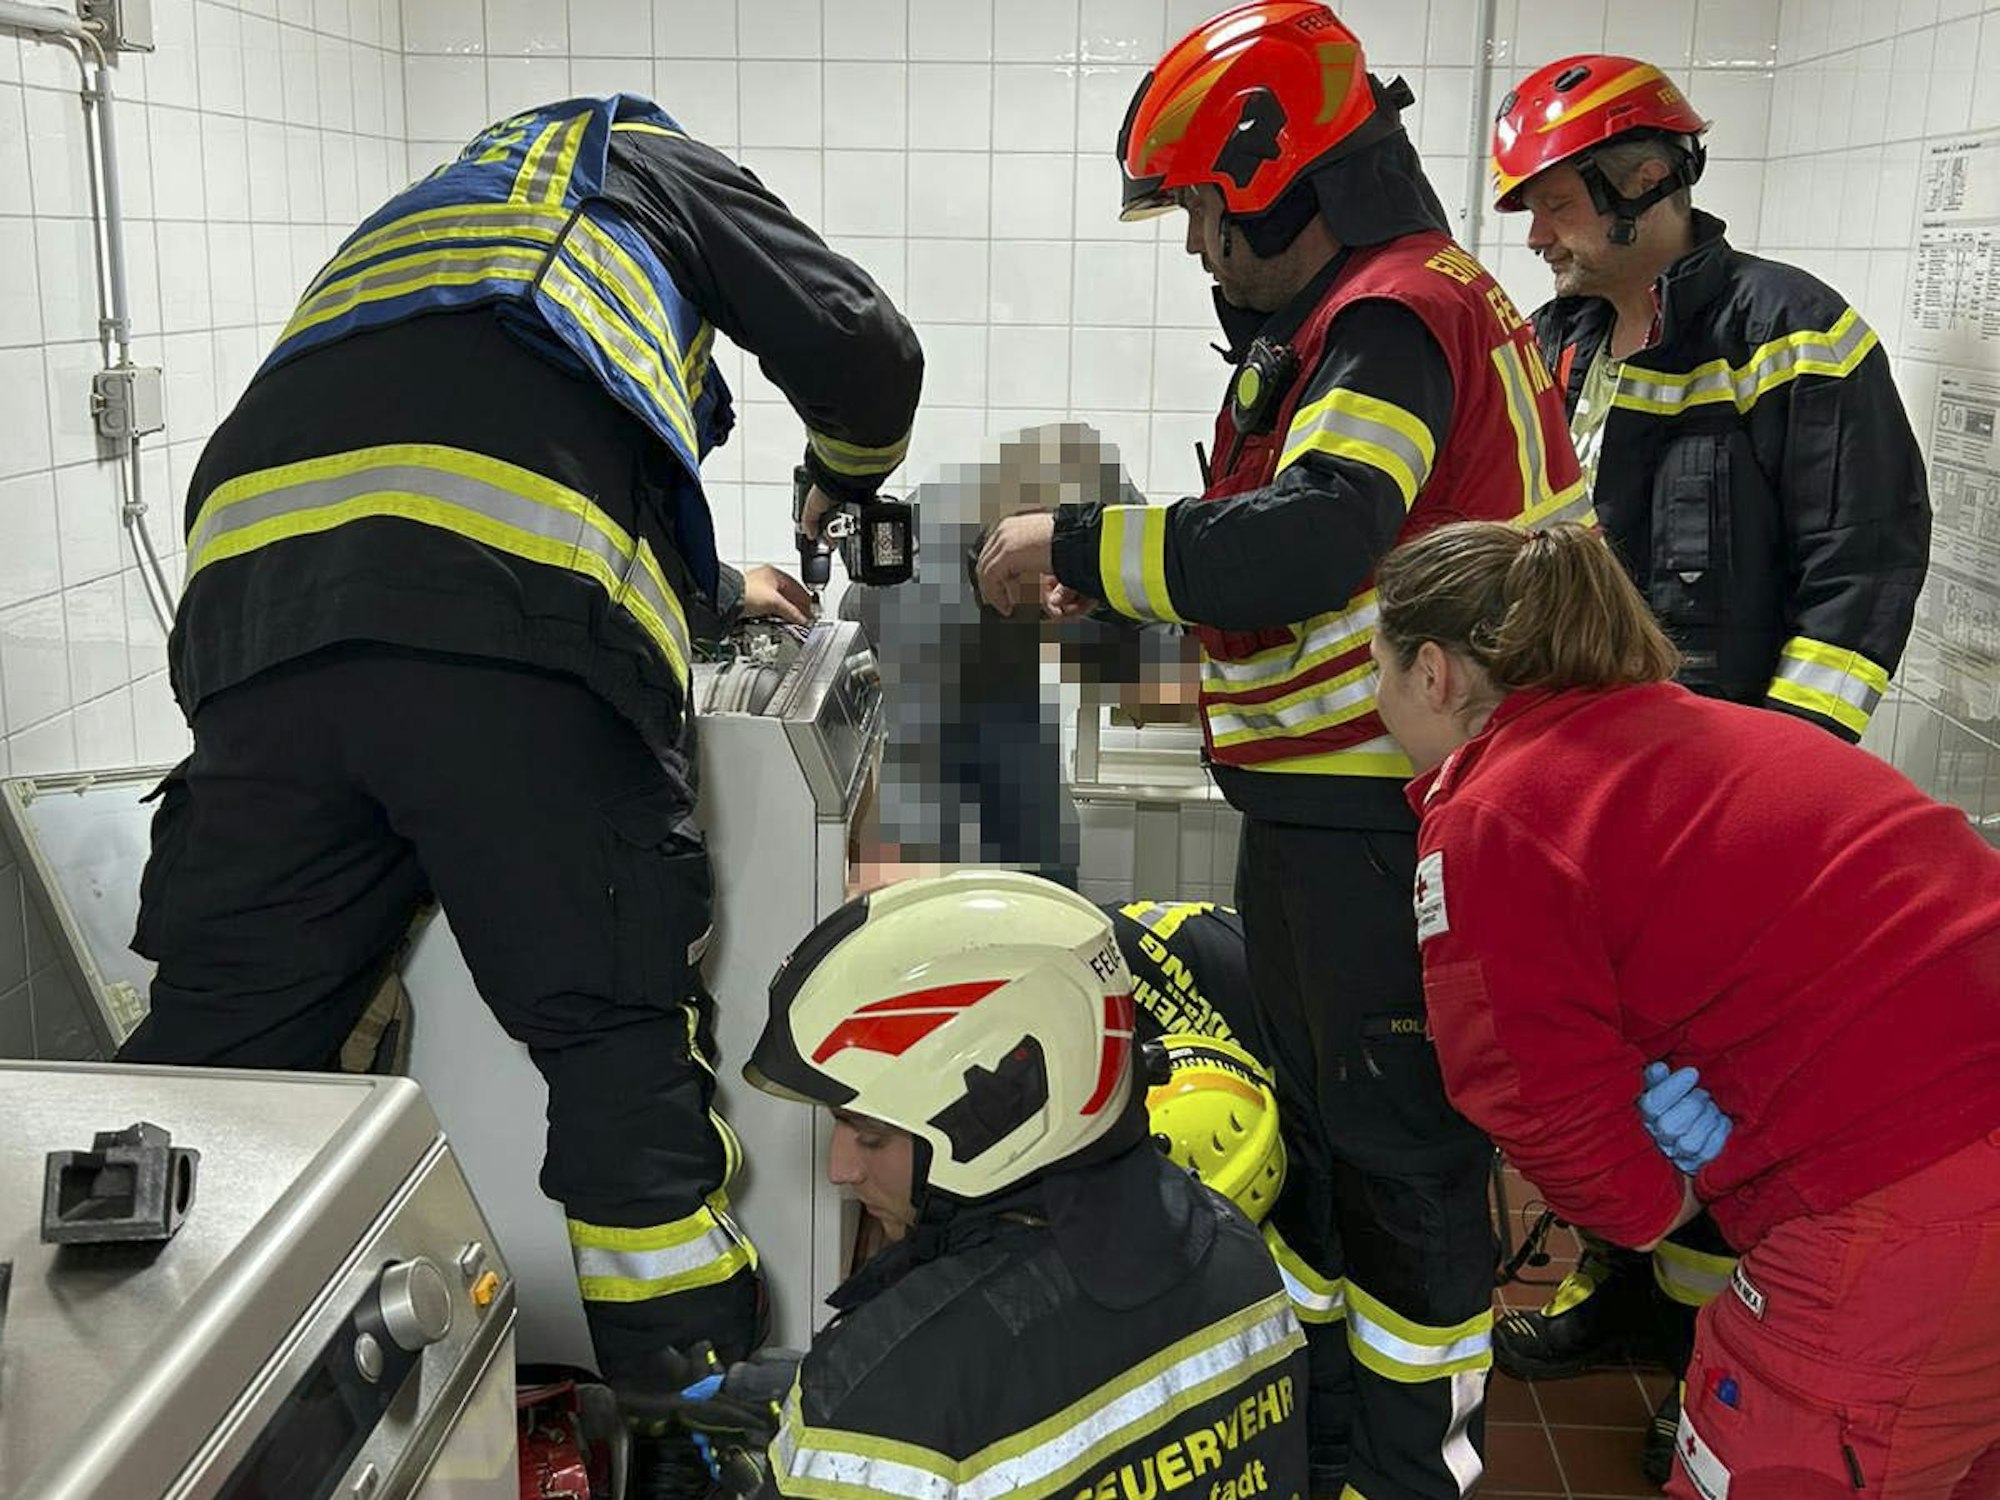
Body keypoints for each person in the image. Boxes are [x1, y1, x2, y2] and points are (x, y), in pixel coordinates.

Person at [117, 91, 923, 1434]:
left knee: (226, 1051)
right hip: (499, 658)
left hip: (255, 619)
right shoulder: (634, 161)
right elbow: (866, 353)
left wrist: (712, 581)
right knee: (612, 1038)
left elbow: (423, 472)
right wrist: (842, 478)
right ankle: (694, 1421)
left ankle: (133, 1402)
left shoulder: (428, 225)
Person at [977, 7, 1589, 1493]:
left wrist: (1075, 542)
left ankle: (1400, 1468)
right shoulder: (1379, 311)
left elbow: (1320, 535)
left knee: (1399, 1175)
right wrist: (1138, 585)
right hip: (1346, 814)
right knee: (1332, 1156)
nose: (1197, 246)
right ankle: (1328, 1439)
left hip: (1394, 821)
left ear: (1274, 174)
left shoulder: (1390, 318)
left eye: (1200, 207)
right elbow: (1333, 569)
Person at [1488, 55, 1933, 1470]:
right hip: (1594, 793)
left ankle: (1708, 1346)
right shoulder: (1558, 347)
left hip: (1732, 813)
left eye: (1552, 199)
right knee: (1635, 1059)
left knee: (1736, 1078)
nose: (1537, 232)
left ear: (1638, 178)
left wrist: (1775, 793)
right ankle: (1636, 1294)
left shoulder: (1794, 333)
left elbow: (1861, 574)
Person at [1367, 518, 2000, 1497]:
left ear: (1434, 675)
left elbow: (1527, 1091)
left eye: (1378, 671)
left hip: (1905, 1201)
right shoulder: (1698, 731)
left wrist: (1663, 1197)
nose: (1376, 703)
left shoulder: (1494, 815)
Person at [731, 871, 1310, 1500]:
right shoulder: (1236, 1253)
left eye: (869, 1135)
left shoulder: (879, 1393)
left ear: (994, 1122)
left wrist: (826, 1412)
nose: (841, 1169)